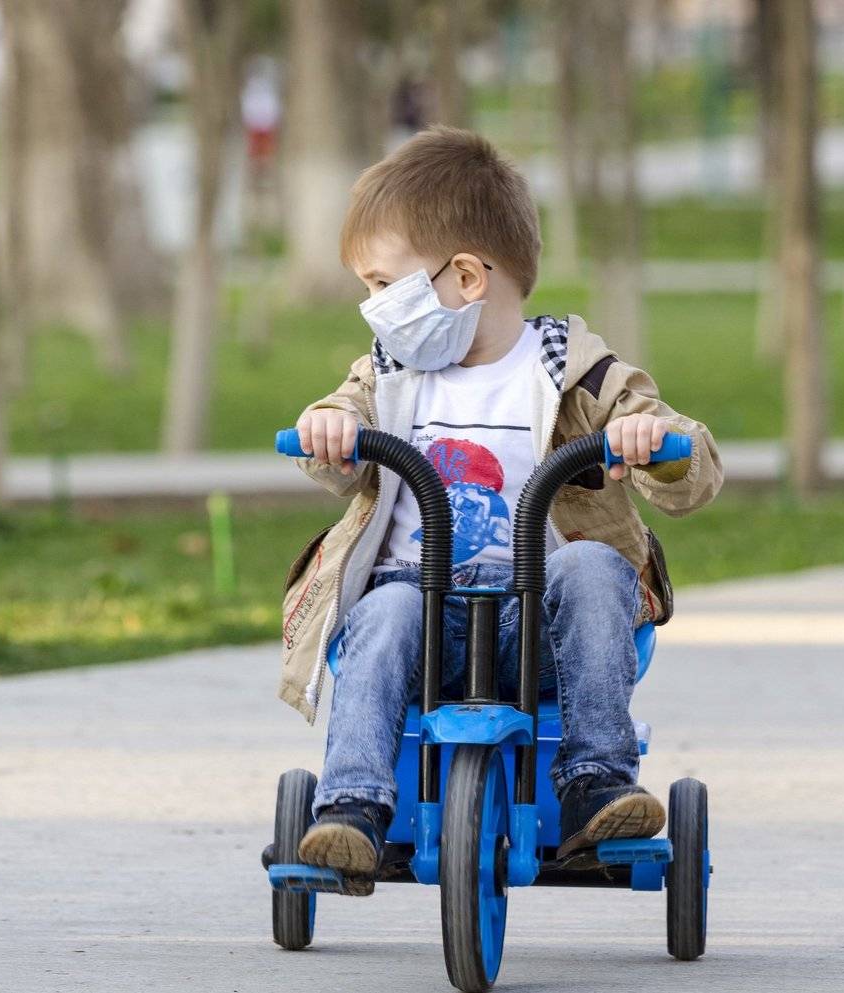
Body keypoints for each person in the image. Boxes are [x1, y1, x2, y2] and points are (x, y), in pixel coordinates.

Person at [278, 126, 723, 880]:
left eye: (384, 286)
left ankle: (596, 783)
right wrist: (330, 430)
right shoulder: (388, 373)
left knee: (591, 565)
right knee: (382, 611)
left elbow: (695, 465)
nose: (373, 308)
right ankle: (352, 806)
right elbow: (338, 417)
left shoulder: (577, 373)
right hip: (418, 614)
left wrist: (654, 440)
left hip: (536, 622)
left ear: (465, 277)